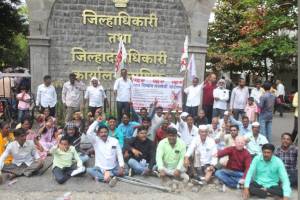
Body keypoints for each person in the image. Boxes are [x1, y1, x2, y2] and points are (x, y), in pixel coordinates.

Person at [86, 118, 125, 183]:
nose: (103, 134)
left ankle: (105, 176)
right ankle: (110, 176)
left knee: (123, 170)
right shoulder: (95, 140)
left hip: (113, 167)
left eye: (105, 132)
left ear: (108, 132)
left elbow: (119, 153)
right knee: (88, 170)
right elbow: (89, 132)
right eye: (101, 132)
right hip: (100, 168)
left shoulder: (114, 141)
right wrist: (96, 121)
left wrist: (121, 166)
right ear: (98, 133)